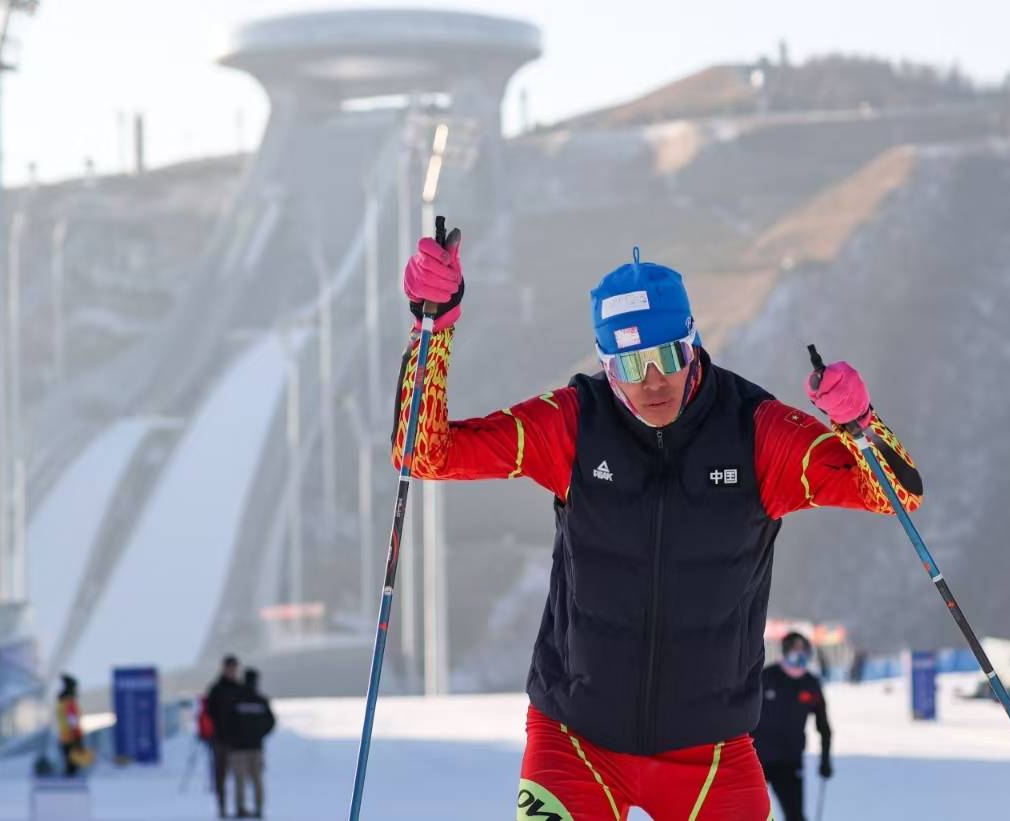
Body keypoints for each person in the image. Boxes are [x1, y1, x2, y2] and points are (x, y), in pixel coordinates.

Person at [395, 237, 923, 819]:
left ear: (693, 342)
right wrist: (433, 331)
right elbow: (425, 454)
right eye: (628, 363)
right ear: (604, 363)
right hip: (576, 740)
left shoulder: (757, 432)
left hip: (711, 753)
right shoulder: (574, 424)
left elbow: (897, 495)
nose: (652, 381)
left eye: (668, 356)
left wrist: (861, 424)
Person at [753, 632, 833, 821]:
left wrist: (825, 759)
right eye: (795, 650)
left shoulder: (810, 684)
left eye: (804, 650)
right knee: (751, 813)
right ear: (786, 651)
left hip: (789, 761)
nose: (800, 655)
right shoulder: (767, 677)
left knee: (795, 816)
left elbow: (823, 726)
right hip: (757, 760)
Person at [228, 668, 277, 819]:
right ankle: (259, 808)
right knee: (257, 780)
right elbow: (271, 722)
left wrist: (234, 737)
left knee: (239, 780)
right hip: (256, 747)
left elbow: (228, 723)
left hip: (238, 748)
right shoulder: (261, 700)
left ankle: (240, 808)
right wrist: (259, 735)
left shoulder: (236, 699)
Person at [205, 655, 244, 818]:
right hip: (220, 740)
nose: (232, 671)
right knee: (221, 776)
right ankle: (222, 808)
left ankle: (239, 807)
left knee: (239, 776)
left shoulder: (240, 688)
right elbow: (209, 712)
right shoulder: (216, 689)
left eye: (234, 668)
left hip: (237, 741)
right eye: (230, 668)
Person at [55, 674, 85, 777]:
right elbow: (72, 719)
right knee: (73, 766)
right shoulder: (69, 702)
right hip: (72, 735)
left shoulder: (61, 701)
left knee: (69, 763)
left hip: (64, 735)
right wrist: (76, 735)